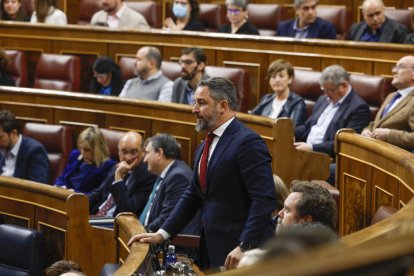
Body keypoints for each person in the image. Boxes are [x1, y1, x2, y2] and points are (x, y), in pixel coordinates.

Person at [128, 77, 277, 270]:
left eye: (201, 103)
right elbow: (193, 194)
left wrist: (245, 245)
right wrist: (163, 233)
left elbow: (263, 200)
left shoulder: (247, 142)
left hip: (242, 253)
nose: (194, 109)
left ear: (222, 106)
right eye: (195, 102)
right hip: (211, 248)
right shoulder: (205, 144)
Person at [294, 64, 371, 158]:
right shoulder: (322, 100)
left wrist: (312, 148)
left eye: (330, 90)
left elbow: (345, 143)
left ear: (344, 86)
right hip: (305, 150)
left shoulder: (358, 108)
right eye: (324, 90)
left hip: (326, 157)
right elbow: (307, 127)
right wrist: (289, 133)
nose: (326, 95)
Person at [140, 133, 200, 236]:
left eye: (147, 153)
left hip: (175, 245)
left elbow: (166, 218)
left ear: (159, 153)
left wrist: (140, 232)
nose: (144, 159)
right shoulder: (166, 173)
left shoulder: (178, 177)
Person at [88, 131, 157, 217]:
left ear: (143, 152)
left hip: (115, 224)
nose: (128, 158)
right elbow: (99, 194)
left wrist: (119, 179)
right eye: (124, 152)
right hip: (96, 216)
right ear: (118, 153)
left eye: (134, 152)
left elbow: (129, 210)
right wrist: (78, 202)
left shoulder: (148, 176)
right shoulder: (116, 168)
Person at [361, 55, 414, 151]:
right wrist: (367, 130)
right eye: (395, 67)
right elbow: (377, 123)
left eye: (400, 67)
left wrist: (389, 135)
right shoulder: (391, 96)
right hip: (373, 152)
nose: (394, 71)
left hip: (394, 160)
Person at [54, 127, 116, 194]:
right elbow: (61, 177)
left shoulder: (108, 166)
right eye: (81, 148)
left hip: (82, 201)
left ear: (98, 149)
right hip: (64, 196)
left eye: (87, 150)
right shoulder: (75, 155)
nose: (82, 153)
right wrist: (60, 186)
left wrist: (75, 193)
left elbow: (99, 195)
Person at [251, 59, 307, 126]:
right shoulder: (266, 99)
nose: (277, 80)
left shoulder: (297, 103)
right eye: (273, 76)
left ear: (290, 79)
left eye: (281, 76)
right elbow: (251, 119)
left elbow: (294, 129)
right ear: (269, 81)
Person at [0, 110, 49, 184]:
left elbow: (38, 187)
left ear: (13, 133)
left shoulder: (35, 151)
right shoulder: (2, 147)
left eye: (0, 137)